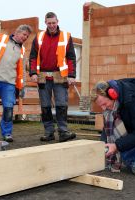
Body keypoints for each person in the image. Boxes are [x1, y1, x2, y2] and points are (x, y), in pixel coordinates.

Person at [29, 12, 77, 143]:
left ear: (57, 21)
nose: (51, 25)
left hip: (60, 77)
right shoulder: (38, 37)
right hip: (43, 76)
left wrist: (72, 75)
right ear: (45, 23)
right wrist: (33, 72)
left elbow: (71, 57)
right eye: (49, 23)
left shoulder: (66, 36)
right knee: (45, 106)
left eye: (53, 23)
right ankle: (49, 132)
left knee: (61, 105)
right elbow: (33, 57)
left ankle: (63, 132)